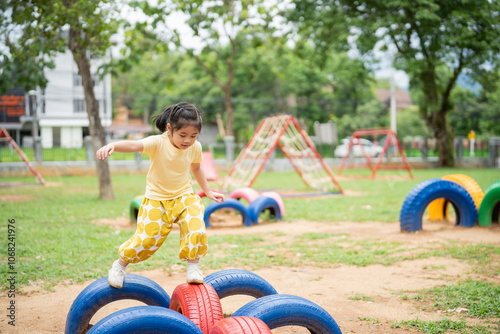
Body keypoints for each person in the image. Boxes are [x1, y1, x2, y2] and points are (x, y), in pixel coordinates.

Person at [96, 102, 224, 288]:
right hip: (156, 200)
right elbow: (133, 145)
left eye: (193, 136)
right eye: (182, 135)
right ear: (170, 129)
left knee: (195, 223)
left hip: (184, 196)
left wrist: (208, 190)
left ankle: (193, 267)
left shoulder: (195, 147)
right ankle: (119, 265)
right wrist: (112, 145)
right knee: (147, 239)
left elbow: (196, 168)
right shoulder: (157, 142)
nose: (187, 140)